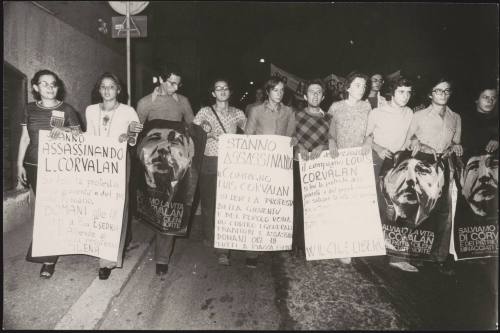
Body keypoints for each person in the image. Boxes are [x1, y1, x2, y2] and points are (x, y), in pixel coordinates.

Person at [18, 69, 83, 279]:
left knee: (51, 210)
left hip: (58, 166)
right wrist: (19, 165)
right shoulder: (28, 109)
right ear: (36, 87)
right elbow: (25, 138)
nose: (49, 87)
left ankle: (48, 259)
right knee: (45, 209)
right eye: (44, 84)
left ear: (58, 87)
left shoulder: (67, 109)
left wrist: (64, 132)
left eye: (53, 84)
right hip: (34, 165)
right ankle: (47, 250)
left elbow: (80, 136)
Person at [136, 64, 194, 277]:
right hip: (151, 162)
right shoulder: (144, 103)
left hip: (175, 162)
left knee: (170, 204)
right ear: (160, 78)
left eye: (178, 83)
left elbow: (192, 128)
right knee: (154, 204)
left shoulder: (183, 102)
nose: (175, 87)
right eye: (171, 82)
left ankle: (162, 258)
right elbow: (137, 132)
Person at [85, 72, 143, 280]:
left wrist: (129, 136)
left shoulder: (128, 111)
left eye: (112, 86)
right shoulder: (91, 110)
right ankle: (100, 246)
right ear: (99, 90)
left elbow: (135, 137)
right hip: (97, 162)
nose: (107, 91)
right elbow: (89, 136)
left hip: (119, 162)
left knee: (117, 208)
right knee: (98, 207)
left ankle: (107, 260)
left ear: (119, 89)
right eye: (103, 87)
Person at [404, 77, 463, 275]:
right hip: (423, 163)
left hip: (445, 165)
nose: (443, 95)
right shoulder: (418, 115)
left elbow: (456, 142)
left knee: (444, 212)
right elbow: (408, 140)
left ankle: (439, 256)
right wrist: (418, 143)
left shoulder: (455, 117)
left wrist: (456, 146)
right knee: (422, 210)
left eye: (447, 91)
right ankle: (416, 254)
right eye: (438, 91)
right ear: (430, 94)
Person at [364, 77, 418, 272]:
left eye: (409, 92)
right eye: (402, 92)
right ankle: (369, 248)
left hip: (399, 162)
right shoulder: (377, 112)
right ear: (392, 92)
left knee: (398, 207)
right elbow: (367, 137)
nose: (406, 96)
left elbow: (411, 136)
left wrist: (414, 141)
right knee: (380, 206)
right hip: (379, 160)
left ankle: (397, 257)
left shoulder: (410, 112)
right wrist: (378, 148)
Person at [193, 78, 246, 266]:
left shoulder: (238, 113)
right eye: (218, 89)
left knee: (227, 204)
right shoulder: (204, 112)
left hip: (231, 163)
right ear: (213, 93)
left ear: (230, 92)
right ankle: (211, 237)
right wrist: (208, 134)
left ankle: (223, 246)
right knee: (209, 202)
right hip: (209, 161)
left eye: (225, 88)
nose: (222, 91)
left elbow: (249, 134)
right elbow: (193, 132)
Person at [244, 76, 295, 267]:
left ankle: (273, 243)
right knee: (257, 208)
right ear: (268, 91)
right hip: (259, 165)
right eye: (275, 90)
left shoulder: (289, 112)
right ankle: (252, 252)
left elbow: (291, 136)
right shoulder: (256, 111)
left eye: (282, 91)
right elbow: (247, 137)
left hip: (279, 167)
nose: (279, 94)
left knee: (275, 207)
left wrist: (294, 141)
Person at [328, 71, 372, 264]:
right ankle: (338, 244)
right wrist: (330, 143)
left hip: (360, 161)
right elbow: (327, 132)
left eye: (363, 86)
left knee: (355, 205)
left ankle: (352, 244)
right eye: (357, 85)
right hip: (339, 160)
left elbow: (371, 131)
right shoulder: (335, 107)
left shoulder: (367, 106)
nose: (361, 89)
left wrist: (369, 142)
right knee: (339, 203)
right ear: (347, 87)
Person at [290, 79, 331, 256]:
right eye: (311, 92)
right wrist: (298, 146)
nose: (315, 95)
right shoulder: (295, 115)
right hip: (299, 164)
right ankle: (294, 243)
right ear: (305, 96)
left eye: (318, 92)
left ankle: (308, 242)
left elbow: (333, 141)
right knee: (297, 205)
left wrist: (324, 146)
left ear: (323, 96)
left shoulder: (329, 118)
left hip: (319, 168)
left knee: (313, 207)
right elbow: (290, 137)